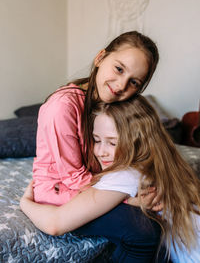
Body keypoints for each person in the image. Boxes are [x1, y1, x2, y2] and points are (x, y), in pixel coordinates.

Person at [21, 31, 163, 262]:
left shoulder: (112, 105)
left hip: (98, 184)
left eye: (133, 82)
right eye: (119, 69)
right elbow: (72, 176)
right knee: (144, 232)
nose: (120, 85)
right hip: (60, 190)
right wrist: (129, 198)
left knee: (158, 213)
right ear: (100, 58)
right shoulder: (63, 106)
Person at [21, 96, 200, 263]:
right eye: (96, 140)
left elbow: (55, 224)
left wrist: (25, 203)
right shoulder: (157, 164)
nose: (101, 152)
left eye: (112, 143)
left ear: (138, 142)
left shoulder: (125, 175)